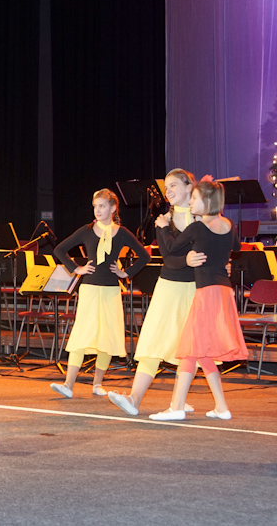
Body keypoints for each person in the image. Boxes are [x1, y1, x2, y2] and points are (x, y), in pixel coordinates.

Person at [149, 179, 246, 421]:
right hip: (224, 291)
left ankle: (177, 407)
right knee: (202, 351)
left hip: (206, 292)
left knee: (192, 348)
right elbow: (236, 247)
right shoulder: (228, 224)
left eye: (194, 198)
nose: (191, 202)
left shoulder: (198, 227)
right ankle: (221, 407)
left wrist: (163, 227)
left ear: (207, 201)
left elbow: (171, 247)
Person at [108, 169, 199, 416]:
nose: (168, 191)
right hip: (169, 287)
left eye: (173, 185)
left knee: (189, 346)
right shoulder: (163, 221)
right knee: (153, 340)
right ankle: (134, 399)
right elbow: (168, 258)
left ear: (189, 187)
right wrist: (187, 260)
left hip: (196, 289)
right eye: (166, 187)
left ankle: (179, 401)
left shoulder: (203, 218)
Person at [49, 189, 150, 399]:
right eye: (95, 206)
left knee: (108, 336)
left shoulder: (122, 233)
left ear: (113, 208)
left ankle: (97, 383)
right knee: (82, 334)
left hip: (111, 290)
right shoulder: (86, 230)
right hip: (90, 289)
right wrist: (76, 268)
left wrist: (125, 273)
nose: (97, 210)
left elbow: (144, 256)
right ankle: (68, 384)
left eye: (102, 206)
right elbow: (60, 249)